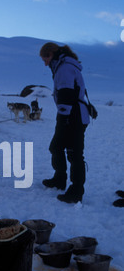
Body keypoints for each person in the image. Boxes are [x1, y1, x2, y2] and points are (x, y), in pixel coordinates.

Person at [39, 42, 90, 203]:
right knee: (56, 147)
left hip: (73, 116)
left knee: (74, 153)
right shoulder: (63, 65)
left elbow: (67, 94)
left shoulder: (65, 67)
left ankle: (76, 190)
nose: (45, 62)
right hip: (70, 114)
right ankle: (60, 179)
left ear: (52, 54)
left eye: (45, 58)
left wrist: (63, 117)